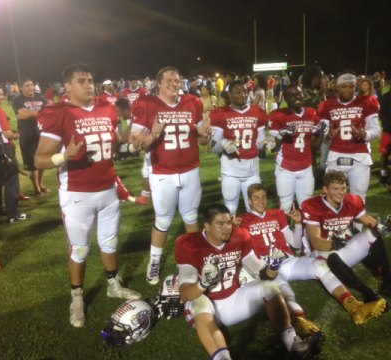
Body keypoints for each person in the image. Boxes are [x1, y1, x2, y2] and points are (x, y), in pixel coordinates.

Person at [35, 63, 141, 328]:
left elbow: (115, 146)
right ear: (67, 87)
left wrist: (131, 143)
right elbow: (39, 159)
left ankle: (113, 284)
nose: (87, 85)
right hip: (77, 194)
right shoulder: (58, 113)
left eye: (90, 80)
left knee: (109, 242)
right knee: (80, 248)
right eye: (81, 81)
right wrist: (63, 156)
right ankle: (77, 296)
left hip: (107, 190)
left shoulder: (107, 108)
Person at [175, 204, 322, 360]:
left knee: (270, 286)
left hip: (234, 299)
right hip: (206, 312)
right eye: (220, 224)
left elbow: (259, 272)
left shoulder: (239, 236)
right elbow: (185, 294)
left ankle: (293, 344)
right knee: (200, 301)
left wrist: (273, 267)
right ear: (207, 226)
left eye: (228, 223)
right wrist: (203, 284)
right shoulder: (189, 243)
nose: (227, 228)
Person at [238, 183, 387, 325]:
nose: (261, 201)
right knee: (281, 288)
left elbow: (295, 244)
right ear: (249, 201)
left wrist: (297, 224)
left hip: (288, 260)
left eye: (263, 197)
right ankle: (300, 321)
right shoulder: (242, 221)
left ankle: (354, 306)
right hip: (268, 267)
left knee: (320, 266)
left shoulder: (277, 214)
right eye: (256, 198)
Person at [129, 66, 211, 285]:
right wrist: (153, 135)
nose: (175, 84)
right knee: (163, 220)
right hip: (163, 173)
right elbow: (135, 143)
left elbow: (203, 140)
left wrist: (204, 136)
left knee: (191, 218)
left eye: (177, 80)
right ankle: (154, 262)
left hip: (191, 170)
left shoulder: (193, 102)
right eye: (169, 81)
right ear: (159, 84)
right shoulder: (146, 104)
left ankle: (196, 260)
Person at [302, 171, 391, 305]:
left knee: (373, 235)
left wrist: (380, 227)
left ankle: (389, 284)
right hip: (322, 256)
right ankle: (367, 293)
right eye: (335, 189)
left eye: (343, 188)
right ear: (325, 190)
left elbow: (367, 219)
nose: (341, 193)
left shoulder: (352, 201)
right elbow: (315, 241)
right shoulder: (312, 205)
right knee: (332, 256)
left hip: (343, 250)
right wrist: (333, 244)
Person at [318, 71, 380, 203]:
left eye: (351, 86)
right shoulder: (327, 105)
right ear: (337, 87)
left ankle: (356, 224)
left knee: (358, 198)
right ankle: (338, 224)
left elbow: (376, 130)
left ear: (355, 86)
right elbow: (322, 129)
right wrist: (328, 134)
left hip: (359, 156)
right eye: (344, 86)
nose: (348, 90)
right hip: (336, 154)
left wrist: (365, 134)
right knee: (332, 197)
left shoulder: (366, 101)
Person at [210, 80, 267, 216]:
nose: (243, 95)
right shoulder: (221, 113)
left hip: (252, 170)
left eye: (245, 92)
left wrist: (267, 143)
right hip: (230, 170)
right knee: (230, 209)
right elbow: (214, 148)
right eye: (237, 92)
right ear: (229, 95)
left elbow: (261, 144)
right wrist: (224, 144)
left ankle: (254, 238)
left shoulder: (257, 112)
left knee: (256, 210)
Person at [267, 84, 324, 212]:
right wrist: (281, 134)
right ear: (286, 99)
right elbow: (270, 147)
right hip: (286, 168)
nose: (297, 97)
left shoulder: (311, 113)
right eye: (292, 95)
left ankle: (301, 231)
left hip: (306, 167)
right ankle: (286, 232)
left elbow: (314, 147)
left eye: (299, 93)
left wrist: (321, 134)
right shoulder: (278, 115)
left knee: (307, 206)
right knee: (286, 207)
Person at [0, 83, 28, 223]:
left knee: (0, 180)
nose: (3, 96)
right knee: (12, 180)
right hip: (4, 148)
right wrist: (16, 135)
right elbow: (6, 133)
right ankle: (13, 214)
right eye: (0, 94)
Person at [12, 77, 49, 195]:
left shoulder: (41, 98)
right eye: (27, 85)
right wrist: (43, 113)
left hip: (42, 133)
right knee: (32, 164)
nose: (30, 87)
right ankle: (36, 189)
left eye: (31, 85)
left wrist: (30, 114)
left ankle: (41, 184)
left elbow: (51, 110)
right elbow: (24, 115)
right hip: (27, 135)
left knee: (41, 160)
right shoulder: (18, 100)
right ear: (21, 88)